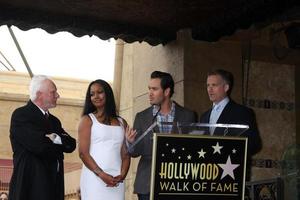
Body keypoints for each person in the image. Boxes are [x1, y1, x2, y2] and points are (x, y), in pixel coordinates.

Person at [126, 71, 197, 200]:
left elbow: (193, 149)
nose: (150, 93)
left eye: (154, 89)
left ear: (166, 91)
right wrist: (131, 143)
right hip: (148, 184)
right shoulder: (141, 117)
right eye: (149, 89)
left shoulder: (188, 115)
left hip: (178, 183)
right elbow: (135, 152)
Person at [9, 75, 76, 200]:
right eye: (53, 92)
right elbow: (39, 146)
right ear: (39, 94)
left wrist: (54, 138)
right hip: (30, 187)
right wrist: (59, 144)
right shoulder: (21, 115)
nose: (57, 95)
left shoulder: (54, 121)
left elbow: (71, 144)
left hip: (54, 187)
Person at [78, 79, 131, 200]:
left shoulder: (122, 122)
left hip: (116, 179)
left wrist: (122, 175)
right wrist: (101, 175)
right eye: (92, 94)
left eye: (100, 92)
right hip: (94, 178)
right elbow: (83, 153)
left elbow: (126, 155)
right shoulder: (87, 120)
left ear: (107, 94)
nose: (96, 96)